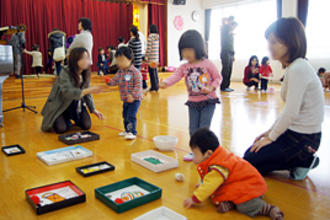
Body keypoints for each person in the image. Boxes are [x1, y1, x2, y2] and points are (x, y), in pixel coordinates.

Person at [243, 17, 324, 181]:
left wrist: (271, 138)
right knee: (251, 155)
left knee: (251, 160)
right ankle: (299, 159)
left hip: (304, 139)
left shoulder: (298, 69)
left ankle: (305, 159)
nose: (269, 47)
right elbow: (288, 111)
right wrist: (269, 132)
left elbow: (291, 112)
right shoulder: (294, 68)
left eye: (274, 42)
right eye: (269, 41)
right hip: (295, 133)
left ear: (290, 43)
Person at [184, 128, 284, 220]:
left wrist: (195, 199)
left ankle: (268, 209)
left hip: (249, 186)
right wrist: (202, 185)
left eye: (195, 154)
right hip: (237, 184)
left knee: (244, 207)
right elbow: (210, 178)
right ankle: (231, 202)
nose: (193, 157)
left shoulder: (219, 165)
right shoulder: (216, 156)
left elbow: (210, 184)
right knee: (214, 195)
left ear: (208, 153)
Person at [159, 30, 222, 162]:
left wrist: (211, 87)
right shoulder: (184, 67)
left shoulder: (208, 63)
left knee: (203, 129)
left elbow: (218, 77)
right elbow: (175, 76)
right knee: (193, 129)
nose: (186, 53)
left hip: (208, 101)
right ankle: (195, 152)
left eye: (189, 50)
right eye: (183, 50)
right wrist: (165, 82)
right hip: (193, 102)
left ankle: (206, 153)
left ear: (198, 48)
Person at [41, 48, 104, 133]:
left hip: (76, 105)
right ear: (75, 60)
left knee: (86, 125)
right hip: (61, 105)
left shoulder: (86, 73)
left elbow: (87, 94)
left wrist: (93, 109)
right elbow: (67, 92)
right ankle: (62, 118)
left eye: (87, 58)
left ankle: (70, 119)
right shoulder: (65, 72)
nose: (85, 61)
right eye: (82, 58)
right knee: (60, 129)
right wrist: (89, 90)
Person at [105, 47, 142, 140]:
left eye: (122, 60)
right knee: (125, 115)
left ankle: (132, 132)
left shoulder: (135, 72)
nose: (119, 63)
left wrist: (132, 95)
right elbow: (115, 80)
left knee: (131, 115)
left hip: (134, 100)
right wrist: (109, 82)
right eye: (118, 61)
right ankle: (127, 130)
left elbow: (138, 85)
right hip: (125, 99)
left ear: (130, 59)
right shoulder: (120, 71)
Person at [220, 16, 237, 92]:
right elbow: (223, 20)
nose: (234, 27)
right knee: (225, 70)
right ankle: (223, 86)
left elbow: (232, 45)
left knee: (229, 69)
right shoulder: (224, 28)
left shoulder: (231, 33)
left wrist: (233, 55)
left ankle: (227, 86)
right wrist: (227, 21)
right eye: (233, 25)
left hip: (230, 52)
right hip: (225, 52)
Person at [145, 24, 160, 92]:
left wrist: (146, 56)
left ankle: (153, 87)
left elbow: (149, 48)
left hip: (151, 58)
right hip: (156, 58)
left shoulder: (150, 36)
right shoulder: (157, 36)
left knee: (151, 73)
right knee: (155, 72)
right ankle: (156, 86)